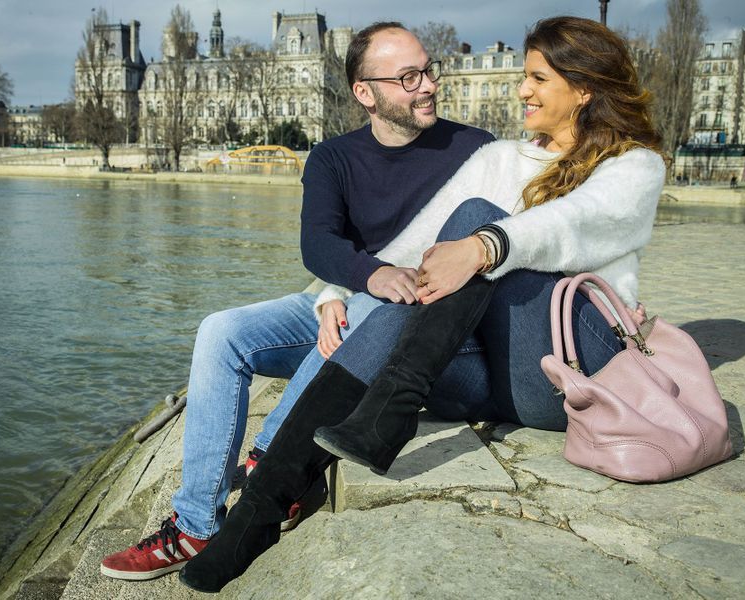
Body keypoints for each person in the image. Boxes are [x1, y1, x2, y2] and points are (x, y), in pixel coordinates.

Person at [177, 15, 666, 593]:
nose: (521, 90)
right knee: (416, 277)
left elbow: (569, 225)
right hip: (493, 377)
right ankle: (258, 513)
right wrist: (337, 293)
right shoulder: (502, 159)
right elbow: (412, 250)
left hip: (572, 366)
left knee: (474, 224)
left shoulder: (634, 166)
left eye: (537, 78)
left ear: (583, 89)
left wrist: (486, 245)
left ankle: (388, 412)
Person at [99, 22, 493, 581]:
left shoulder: (476, 151)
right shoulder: (333, 156)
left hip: (420, 333)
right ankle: (194, 525)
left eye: (429, 70)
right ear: (364, 93)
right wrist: (353, 283)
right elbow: (320, 244)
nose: (428, 85)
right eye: (409, 77)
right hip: (356, 300)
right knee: (221, 330)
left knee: (356, 315)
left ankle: (269, 464)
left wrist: (360, 291)